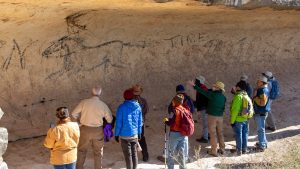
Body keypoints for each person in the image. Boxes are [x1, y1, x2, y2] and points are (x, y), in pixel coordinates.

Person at [71, 87, 113, 169]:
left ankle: (79, 167)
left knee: (82, 151)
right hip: (98, 131)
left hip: (84, 129)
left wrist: (78, 124)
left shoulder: (84, 102)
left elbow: (73, 114)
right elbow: (110, 119)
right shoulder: (103, 105)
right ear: (100, 93)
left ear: (91, 92)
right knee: (98, 152)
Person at [188, 80, 226, 157]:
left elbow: (202, 91)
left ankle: (214, 151)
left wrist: (194, 85)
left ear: (217, 88)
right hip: (220, 117)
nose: (213, 87)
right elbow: (223, 107)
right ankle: (222, 149)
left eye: (215, 86)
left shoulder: (212, 95)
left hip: (212, 116)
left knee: (213, 134)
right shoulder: (223, 97)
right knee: (220, 133)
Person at [157, 84, 194, 163]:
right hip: (185, 128)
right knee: (184, 146)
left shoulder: (175, 104)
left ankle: (165, 155)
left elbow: (170, 118)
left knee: (170, 145)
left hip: (175, 130)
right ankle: (186, 158)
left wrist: (166, 121)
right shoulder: (188, 100)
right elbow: (193, 110)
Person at [115, 88, 143, 169]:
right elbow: (140, 122)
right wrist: (139, 133)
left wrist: (116, 134)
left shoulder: (121, 107)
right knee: (134, 155)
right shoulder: (138, 107)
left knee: (128, 156)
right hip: (134, 135)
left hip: (124, 136)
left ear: (124, 97)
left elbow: (119, 123)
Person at [163, 94, 188, 169]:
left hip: (174, 134)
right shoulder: (185, 110)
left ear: (175, 101)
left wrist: (165, 121)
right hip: (184, 134)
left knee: (171, 153)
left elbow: (170, 122)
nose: (172, 102)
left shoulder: (174, 111)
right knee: (182, 154)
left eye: (173, 101)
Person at [230, 81, 253, 156]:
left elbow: (235, 111)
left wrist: (232, 121)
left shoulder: (238, 97)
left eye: (236, 86)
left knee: (238, 135)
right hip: (246, 119)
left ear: (238, 87)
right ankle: (244, 149)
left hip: (238, 120)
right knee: (245, 134)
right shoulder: (246, 96)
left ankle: (239, 150)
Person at [253, 76, 271, 151]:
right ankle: (264, 142)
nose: (257, 82)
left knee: (260, 129)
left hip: (260, 112)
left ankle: (262, 146)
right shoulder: (264, 89)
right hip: (262, 112)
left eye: (259, 81)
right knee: (262, 129)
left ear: (262, 83)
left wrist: (254, 97)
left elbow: (262, 102)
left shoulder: (262, 90)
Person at [132, 84, 149, 162]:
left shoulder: (130, 101)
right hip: (141, 123)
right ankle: (145, 155)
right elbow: (146, 111)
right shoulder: (144, 100)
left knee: (131, 139)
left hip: (132, 123)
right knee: (142, 139)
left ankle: (132, 158)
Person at [194, 75, 210, 143]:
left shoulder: (202, 89)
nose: (195, 82)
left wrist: (198, 110)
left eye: (196, 81)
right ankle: (207, 135)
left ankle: (205, 138)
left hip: (204, 108)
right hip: (206, 108)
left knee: (205, 124)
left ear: (199, 81)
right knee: (206, 123)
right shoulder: (203, 88)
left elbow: (200, 101)